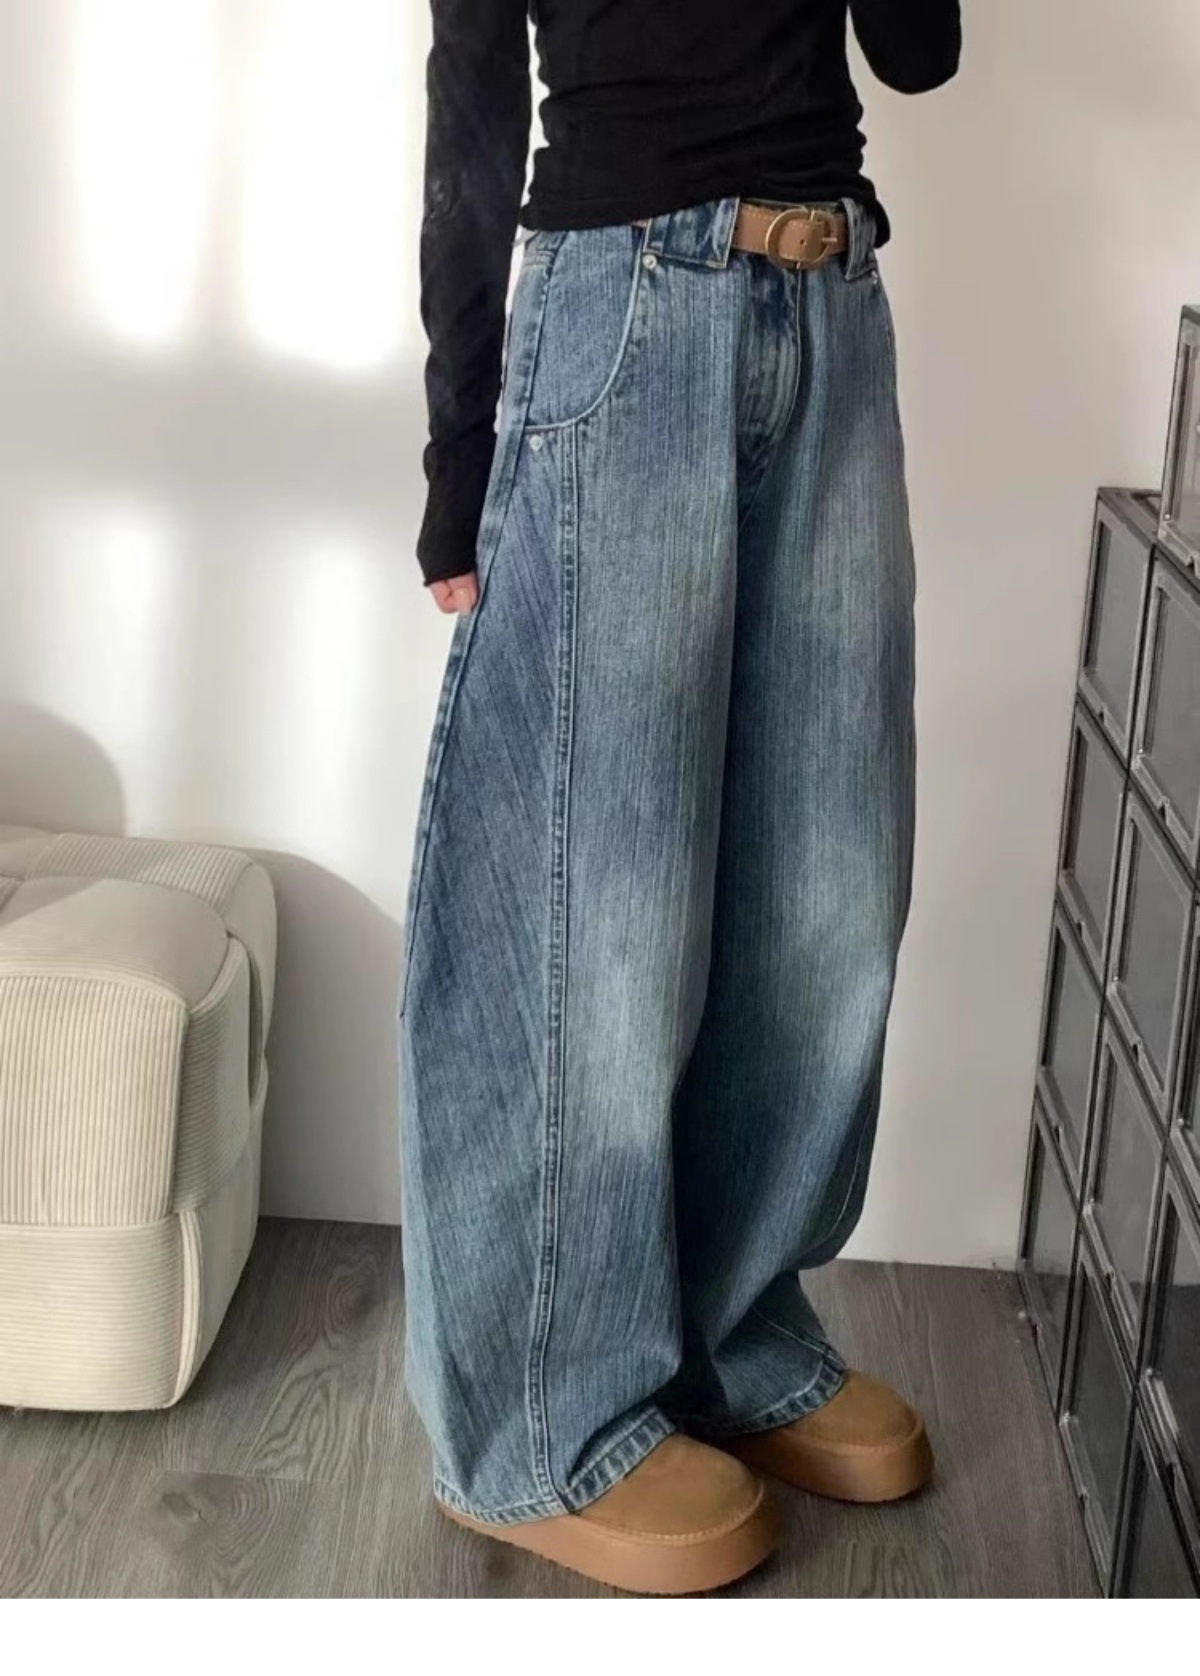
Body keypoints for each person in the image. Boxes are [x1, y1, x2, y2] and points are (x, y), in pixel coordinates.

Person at [399, 0, 962, 1595]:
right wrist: (459, 441)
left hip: (832, 302)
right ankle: (535, 1423)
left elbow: (917, 52)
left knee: (827, 885)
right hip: (624, 310)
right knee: (595, 912)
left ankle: (730, 1335)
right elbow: (471, 83)